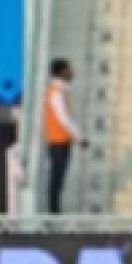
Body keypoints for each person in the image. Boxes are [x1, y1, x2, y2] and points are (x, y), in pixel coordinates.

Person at [44, 58, 85, 214]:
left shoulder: (57, 90)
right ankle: (53, 212)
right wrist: (79, 137)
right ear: (62, 72)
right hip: (58, 140)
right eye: (69, 69)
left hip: (59, 139)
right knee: (56, 178)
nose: (72, 72)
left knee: (58, 179)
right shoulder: (56, 92)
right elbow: (63, 118)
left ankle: (54, 210)